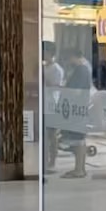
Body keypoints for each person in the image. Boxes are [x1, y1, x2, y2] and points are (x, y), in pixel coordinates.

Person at [61, 45, 93, 179]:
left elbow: (77, 91)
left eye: (68, 59)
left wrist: (63, 91)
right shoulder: (83, 68)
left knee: (78, 139)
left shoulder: (81, 70)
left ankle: (79, 169)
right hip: (79, 107)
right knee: (78, 138)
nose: (68, 62)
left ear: (73, 57)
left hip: (77, 108)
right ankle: (79, 168)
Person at [42, 41, 66, 173]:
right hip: (44, 103)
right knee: (45, 135)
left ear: (50, 53)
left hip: (52, 105)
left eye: (45, 52)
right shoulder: (44, 67)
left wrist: (44, 80)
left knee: (52, 135)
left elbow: (56, 87)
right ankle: (45, 160)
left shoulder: (57, 69)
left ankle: (52, 161)